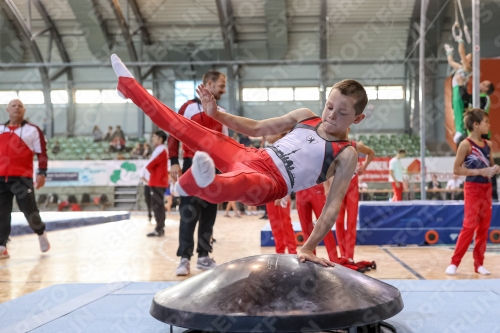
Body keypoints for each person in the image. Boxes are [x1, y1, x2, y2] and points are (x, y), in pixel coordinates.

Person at [110, 54, 367, 266]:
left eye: (342, 112)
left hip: (271, 181)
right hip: (251, 155)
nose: (331, 115)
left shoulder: (346, 154)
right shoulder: (305, 116)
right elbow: (256, 128)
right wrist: (216, 115)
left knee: (236, 183)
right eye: (329, 106)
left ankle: (195, 182)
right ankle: (128, 86)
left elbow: (332, 207)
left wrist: (309, 247)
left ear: (358, 119)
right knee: (184, 127)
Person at [167, 70, 229, 276]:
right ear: (209, 84)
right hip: (191, 165)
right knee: (188, 213)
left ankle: (203, 256)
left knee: (209, 214)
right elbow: (174, 132)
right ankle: (184, 258)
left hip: (215, 168)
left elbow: (227, 145)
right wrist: (174, 161)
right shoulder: (188, 108)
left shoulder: (221, 111)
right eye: (221, 85)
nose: (224, 89)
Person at [446, 109, 500, 276]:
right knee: (469, 226)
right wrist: (480, 172)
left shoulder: (488, 145)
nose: (489, 125)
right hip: (473, 189)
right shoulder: (465, 145)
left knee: (484, 228)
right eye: (486, 122)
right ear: (476, 125)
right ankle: (454, 263)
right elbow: (456, 170)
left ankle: (479, 264)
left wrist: (494, 169)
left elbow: (489, 167)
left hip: (487, 189)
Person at [0, 99, 50, 259]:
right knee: (1, 213)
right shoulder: (0, 129)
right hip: (1, 178)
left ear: (24, 111)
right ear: (7, 109)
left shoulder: (32, 130)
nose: (17, 108)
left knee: (29, 210)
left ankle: (41, 233)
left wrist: (42, 172)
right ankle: (2, 246)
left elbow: (42, 153)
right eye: (13, 105)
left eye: (20, 106)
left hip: (22, 178)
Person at [335, 133, 375, 262]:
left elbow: (371, 152)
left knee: (351, 222)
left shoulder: (355, 145)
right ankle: (343, 254)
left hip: (352, 188)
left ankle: (349, 256)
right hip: (338, 188)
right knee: (339, 222)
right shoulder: (333, 146)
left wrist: (364, 167)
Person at [444, 37, 472, 143]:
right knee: (456, 109)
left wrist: (460, 40)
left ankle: (460, 130)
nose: (465, 57)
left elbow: (461, 52)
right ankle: (459, 130)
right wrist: (449, 52)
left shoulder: (467, 68)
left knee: (459, 110)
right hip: (455, 89)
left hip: (460, 90)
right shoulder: (460, 67)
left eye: (467, 57)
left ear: (469, 61)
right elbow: (451, 62)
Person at [143, 131, 169, 237]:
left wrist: (152, 170)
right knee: (159, 206)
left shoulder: (160, 150)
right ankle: (160, 228)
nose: (152, 139)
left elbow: (149, 165)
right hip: (158, 181)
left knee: (157, 206)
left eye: (154, 137)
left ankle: (159, 229)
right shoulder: (161, 149)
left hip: (157, 181)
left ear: (160, 139)